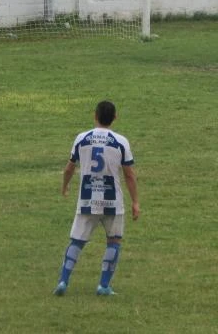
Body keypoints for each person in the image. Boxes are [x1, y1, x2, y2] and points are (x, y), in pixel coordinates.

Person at [52, 100, 139, 297]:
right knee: (114, 241)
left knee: (76, 241)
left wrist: (65, 186)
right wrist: (135, 201)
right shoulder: (121, 141)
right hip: (112, 200)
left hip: (87, 199)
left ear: (95, 116)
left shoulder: (82, 138)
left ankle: (63, 281)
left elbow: (69, 168)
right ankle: (103, 285)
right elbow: (129, 175)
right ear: (115, 117)